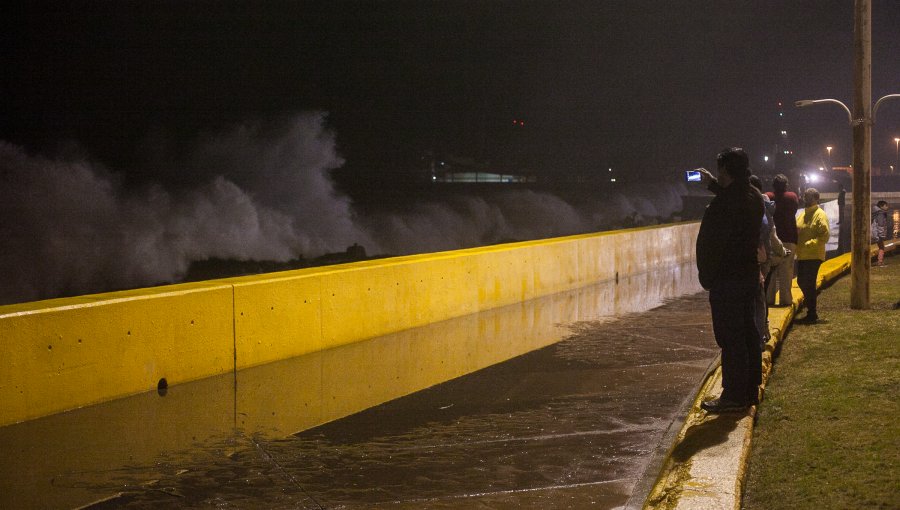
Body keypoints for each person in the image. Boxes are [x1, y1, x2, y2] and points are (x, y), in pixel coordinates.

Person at [695, 148, 764, 413]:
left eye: (720, 169)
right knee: (748, 332)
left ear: (725, 170)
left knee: (730, 337)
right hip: (746, 277)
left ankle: (734, 395)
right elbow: (735, 198)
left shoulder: (726, 204)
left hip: (728, 280)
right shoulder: (754, 196)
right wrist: (714, 184)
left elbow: (715, 243)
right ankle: (749, 388)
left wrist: (707, 276)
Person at [795, 188, 830, 324]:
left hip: (813, 255)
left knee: (807, 283)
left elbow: (825, 235)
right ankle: (810, 308)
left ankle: (812, 313)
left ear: (816, 199)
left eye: (808, 197)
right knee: (801, 282)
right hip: (802, 254)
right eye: (804, 196)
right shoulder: (802, 214)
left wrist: (812, 242)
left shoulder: (820, 215)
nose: (805, 199)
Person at [765, 174, 799, 307]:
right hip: (789, 238)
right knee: (786, 271)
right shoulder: (792, 197)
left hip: (772, 239)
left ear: (773, 185)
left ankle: (769, 299)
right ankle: (785, 300)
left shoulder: (769, 196)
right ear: (786, 185)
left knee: (771, 271)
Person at [872, 200, 890, 267]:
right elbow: (880, 225)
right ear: (881, 206)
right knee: (881, 247)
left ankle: (880, 261)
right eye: (886, 205)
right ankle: (880, 262)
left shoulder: (876, 212)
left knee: (881, 247)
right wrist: (882, 235)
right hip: (877, 234)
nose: (887, 207)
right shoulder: (881, 214)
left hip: (874, 232)